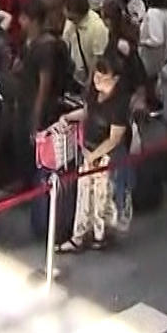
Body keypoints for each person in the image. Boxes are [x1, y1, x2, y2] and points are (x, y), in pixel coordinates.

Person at [58, 59, 131, 254]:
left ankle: (100, 234)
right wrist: (68, 116)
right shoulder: (93, 93)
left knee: (102, 197)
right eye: (96, 76)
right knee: (84, 194)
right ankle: (79, 235)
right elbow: (88, 112)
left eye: (102, 77)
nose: (97, 80)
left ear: (115, 79)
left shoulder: (119, 104)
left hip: (106, 156)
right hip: (89, 151)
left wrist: (95, 155)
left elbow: (115, 138)